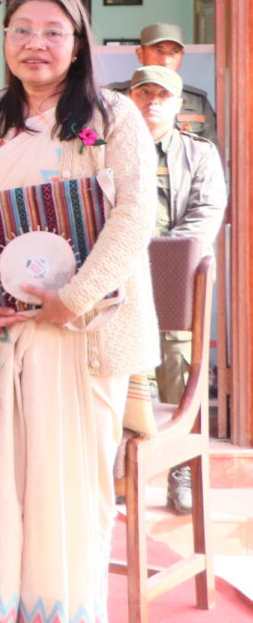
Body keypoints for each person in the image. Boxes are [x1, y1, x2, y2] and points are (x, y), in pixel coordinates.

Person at [0, 0, 158, 623]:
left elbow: (135, 215)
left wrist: (77, 297)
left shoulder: (114, 115)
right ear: (5, 41)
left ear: (79, 44)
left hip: (84, 333)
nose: (35, 44)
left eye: (53, 32)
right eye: (22, 30)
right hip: (3, 331)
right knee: (6, 483)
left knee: (70, 485)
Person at [126, 63, 226, 514]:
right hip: (120, 280)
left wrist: (163, 263)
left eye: (162, 95)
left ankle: (180, 474)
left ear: (178, 103)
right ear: (131, 98)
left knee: (178, 373)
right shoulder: (108, 148)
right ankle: (121, 472)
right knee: (125, 376)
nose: (152, 101)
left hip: (175, 281)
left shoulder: (198, 152)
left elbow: (206, 213)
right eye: (144, 92)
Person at [107, 22, 217, 140]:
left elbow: (209, 146)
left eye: (174, 51)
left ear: (182, 56)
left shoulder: (197, 102)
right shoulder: (113, 97)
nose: (166, 60)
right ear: (140, 54)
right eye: (159, 50)